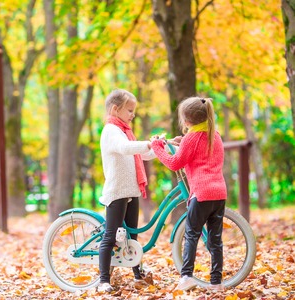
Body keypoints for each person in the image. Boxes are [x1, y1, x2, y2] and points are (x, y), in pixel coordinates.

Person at [97, 89, 179, 293]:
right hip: (117, 190)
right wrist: (149, 143)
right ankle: (103, 280)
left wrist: (164, 145)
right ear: (116, 109)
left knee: (132, 236)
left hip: (131, 190)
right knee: (110, 235)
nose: (133, 114)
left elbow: (142, 154)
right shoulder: (111, 131)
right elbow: (126, 148)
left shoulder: (125, 131)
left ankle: (137, 273)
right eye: (130, 110)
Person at [150, 97, 227, 292]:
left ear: (186, 121)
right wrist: (182, 141)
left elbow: (175, 163)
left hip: (201, 193)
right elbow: (201, 149)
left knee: (191, 234)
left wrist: (157, 148)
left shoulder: (192, 138)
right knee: (215, 239)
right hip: (219, 193)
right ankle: (216, 282)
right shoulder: (214, 134)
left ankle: (186, 276)